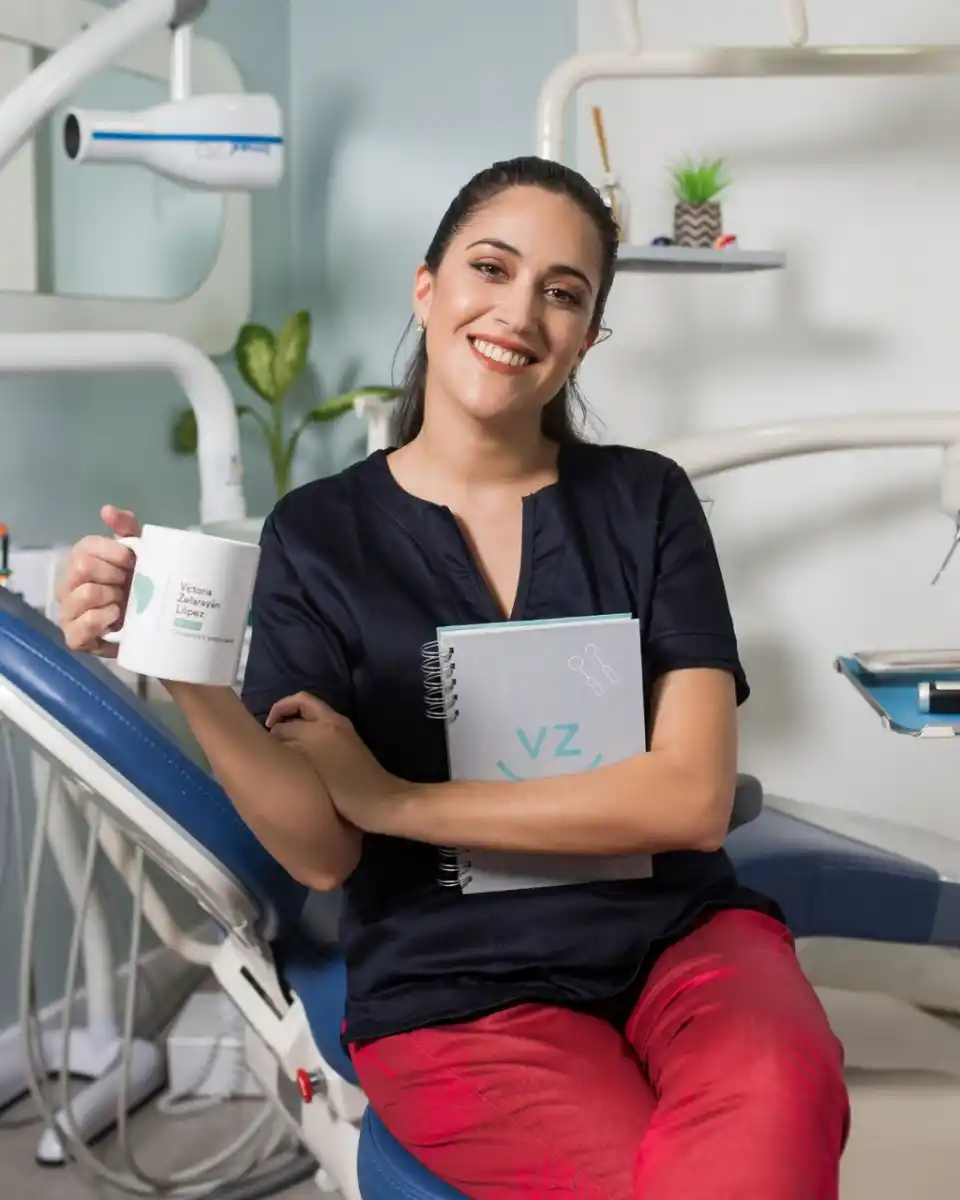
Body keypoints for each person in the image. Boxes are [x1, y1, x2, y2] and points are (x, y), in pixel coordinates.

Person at [57, 156, 850, 1199]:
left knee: (775, 1111)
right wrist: (185, 667)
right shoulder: (321, 535)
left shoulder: (646, 501)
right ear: (427, 287)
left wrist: (397, 798)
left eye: (563, 293)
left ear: (588, 339)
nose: (520, 311)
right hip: (454, 987)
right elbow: (325, 852)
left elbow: (693, 800)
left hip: (680, 942)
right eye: (491, 267)